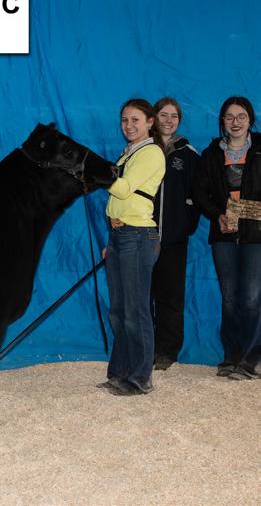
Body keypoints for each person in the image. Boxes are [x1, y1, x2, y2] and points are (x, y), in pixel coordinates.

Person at [99, 98, 165, 396]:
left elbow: (124, 189)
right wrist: (110, 237)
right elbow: (119, 199)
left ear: (150, 122)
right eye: (124, 120)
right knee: (119, 310)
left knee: (136, 309)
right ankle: (120, 371)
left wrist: (97, 172)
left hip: (137, 236)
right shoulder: (128, 153)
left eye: (135, 120)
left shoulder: (151, 153)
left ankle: (140, 377)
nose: (128, 125)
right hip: (119, 235)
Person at [193, 96, 261, 381]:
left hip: (256, 236)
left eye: (241, 116)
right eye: (229, 116)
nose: (235, 122)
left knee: (252, 298)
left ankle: (252, 360)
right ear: (222, 121)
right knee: (230, 298)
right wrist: (217, 214)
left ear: (250, 120)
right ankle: (231, 356)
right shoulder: (210, 154)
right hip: (222, 235)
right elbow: (199, 193)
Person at [150, 98, 200, 370]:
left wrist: (184, 225)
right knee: (142, 295)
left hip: (173, 240)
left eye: (174, 116)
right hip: (142, 237)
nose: (169, 120)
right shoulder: (143, 149)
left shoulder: (188, 154)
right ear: (154, 118)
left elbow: (197, 194)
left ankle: (167, 352)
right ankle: (143, 347)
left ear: (179, 120)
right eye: (163, 115)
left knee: (170, 296)